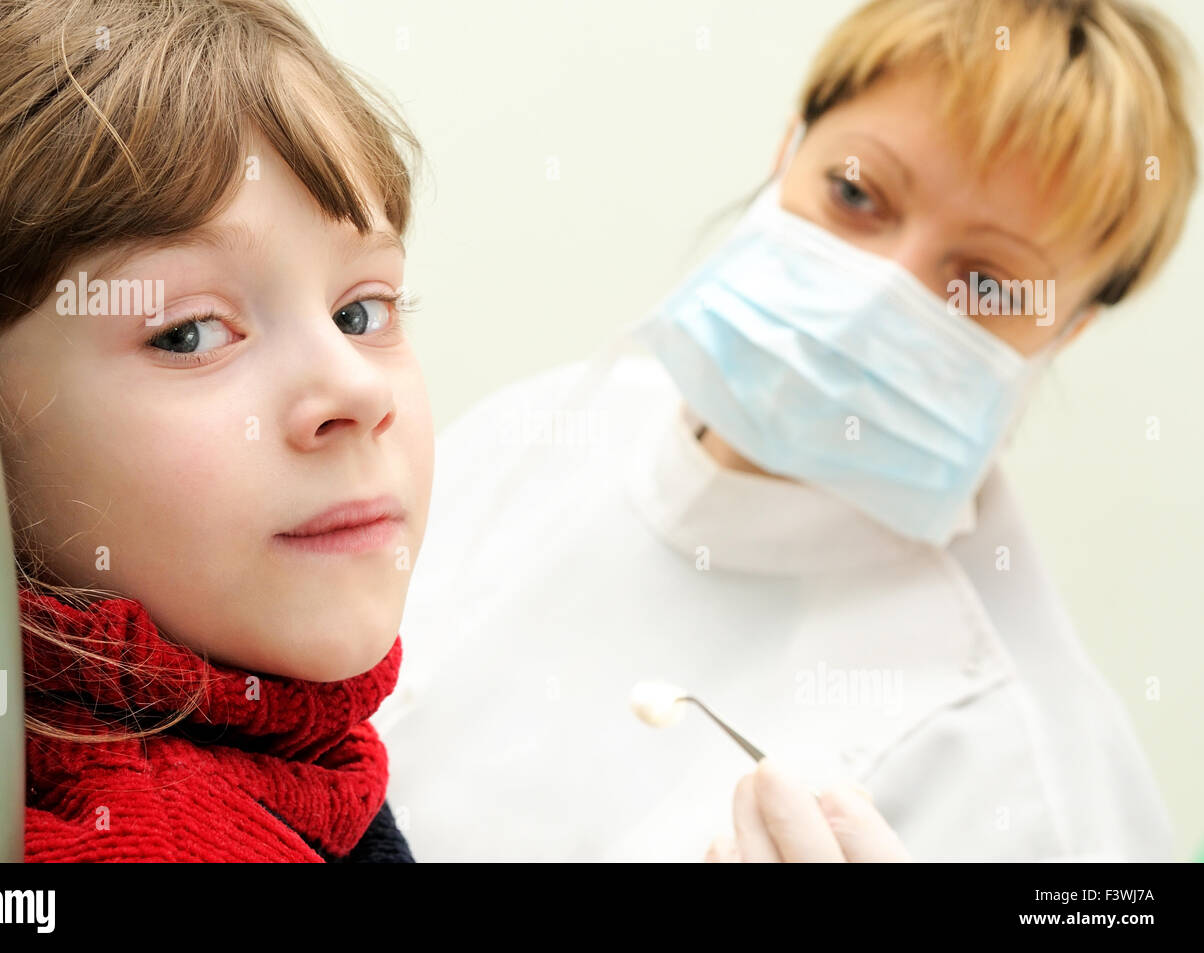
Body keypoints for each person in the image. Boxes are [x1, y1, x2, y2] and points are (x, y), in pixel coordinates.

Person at [372, 0, 1197, 861]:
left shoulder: (1034, 781)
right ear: (789, 150)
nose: (874, 296)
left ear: (1067, 330)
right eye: (855, 194)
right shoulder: (545, 431)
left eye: (985, 286)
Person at [0, 0, 432, 861]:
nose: (355, 389)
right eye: (188, 333)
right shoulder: (149, 839)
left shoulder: (277, 750)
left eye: (360, 311)